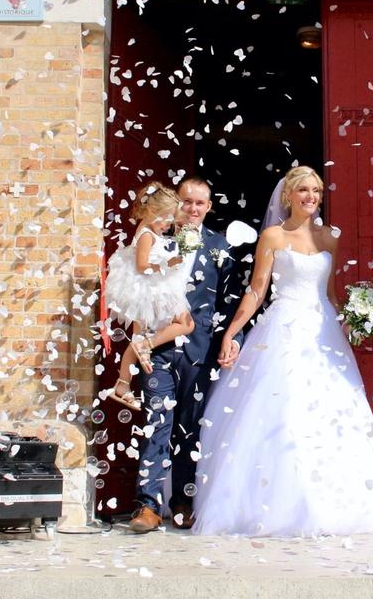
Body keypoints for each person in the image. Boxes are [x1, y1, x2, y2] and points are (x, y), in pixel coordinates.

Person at [191, 166, 373, 536]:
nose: (311, 197)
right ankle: (277, 505)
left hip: (324, 334)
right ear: (288, 195)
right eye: (304, 190)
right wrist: (232, 332)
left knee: (333, 415)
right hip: (283, 331)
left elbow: (331, 293)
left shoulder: (330, 238)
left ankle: (334, 505)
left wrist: (354, 320)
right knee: (284, 408)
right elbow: (257, 291)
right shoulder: (273, 237)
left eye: (317, 191)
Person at [126, 176, 246, 533]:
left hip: (201, 350)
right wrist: (137, 345)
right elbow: (136, 295)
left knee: (189, 429)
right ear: (176, 204)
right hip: (158, 346)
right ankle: (147, 506)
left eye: (199, 203)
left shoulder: (220, 247)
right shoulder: (154, 242)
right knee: (156, 422)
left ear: (209, 208)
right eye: (187, 202)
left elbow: (230, 302)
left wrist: (232, 341)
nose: (192, 209)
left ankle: (182, 501)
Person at [103, 182, 195, 411]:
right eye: (165, 218)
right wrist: (168, 263)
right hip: (147, 289)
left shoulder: (150, 230)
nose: (168, 225)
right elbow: (142, 265)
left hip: (149, 288)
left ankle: (123, 385)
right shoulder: (147, 235)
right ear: (153, 212)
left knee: (140, 341)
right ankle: (130, 372)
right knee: (185, 324)